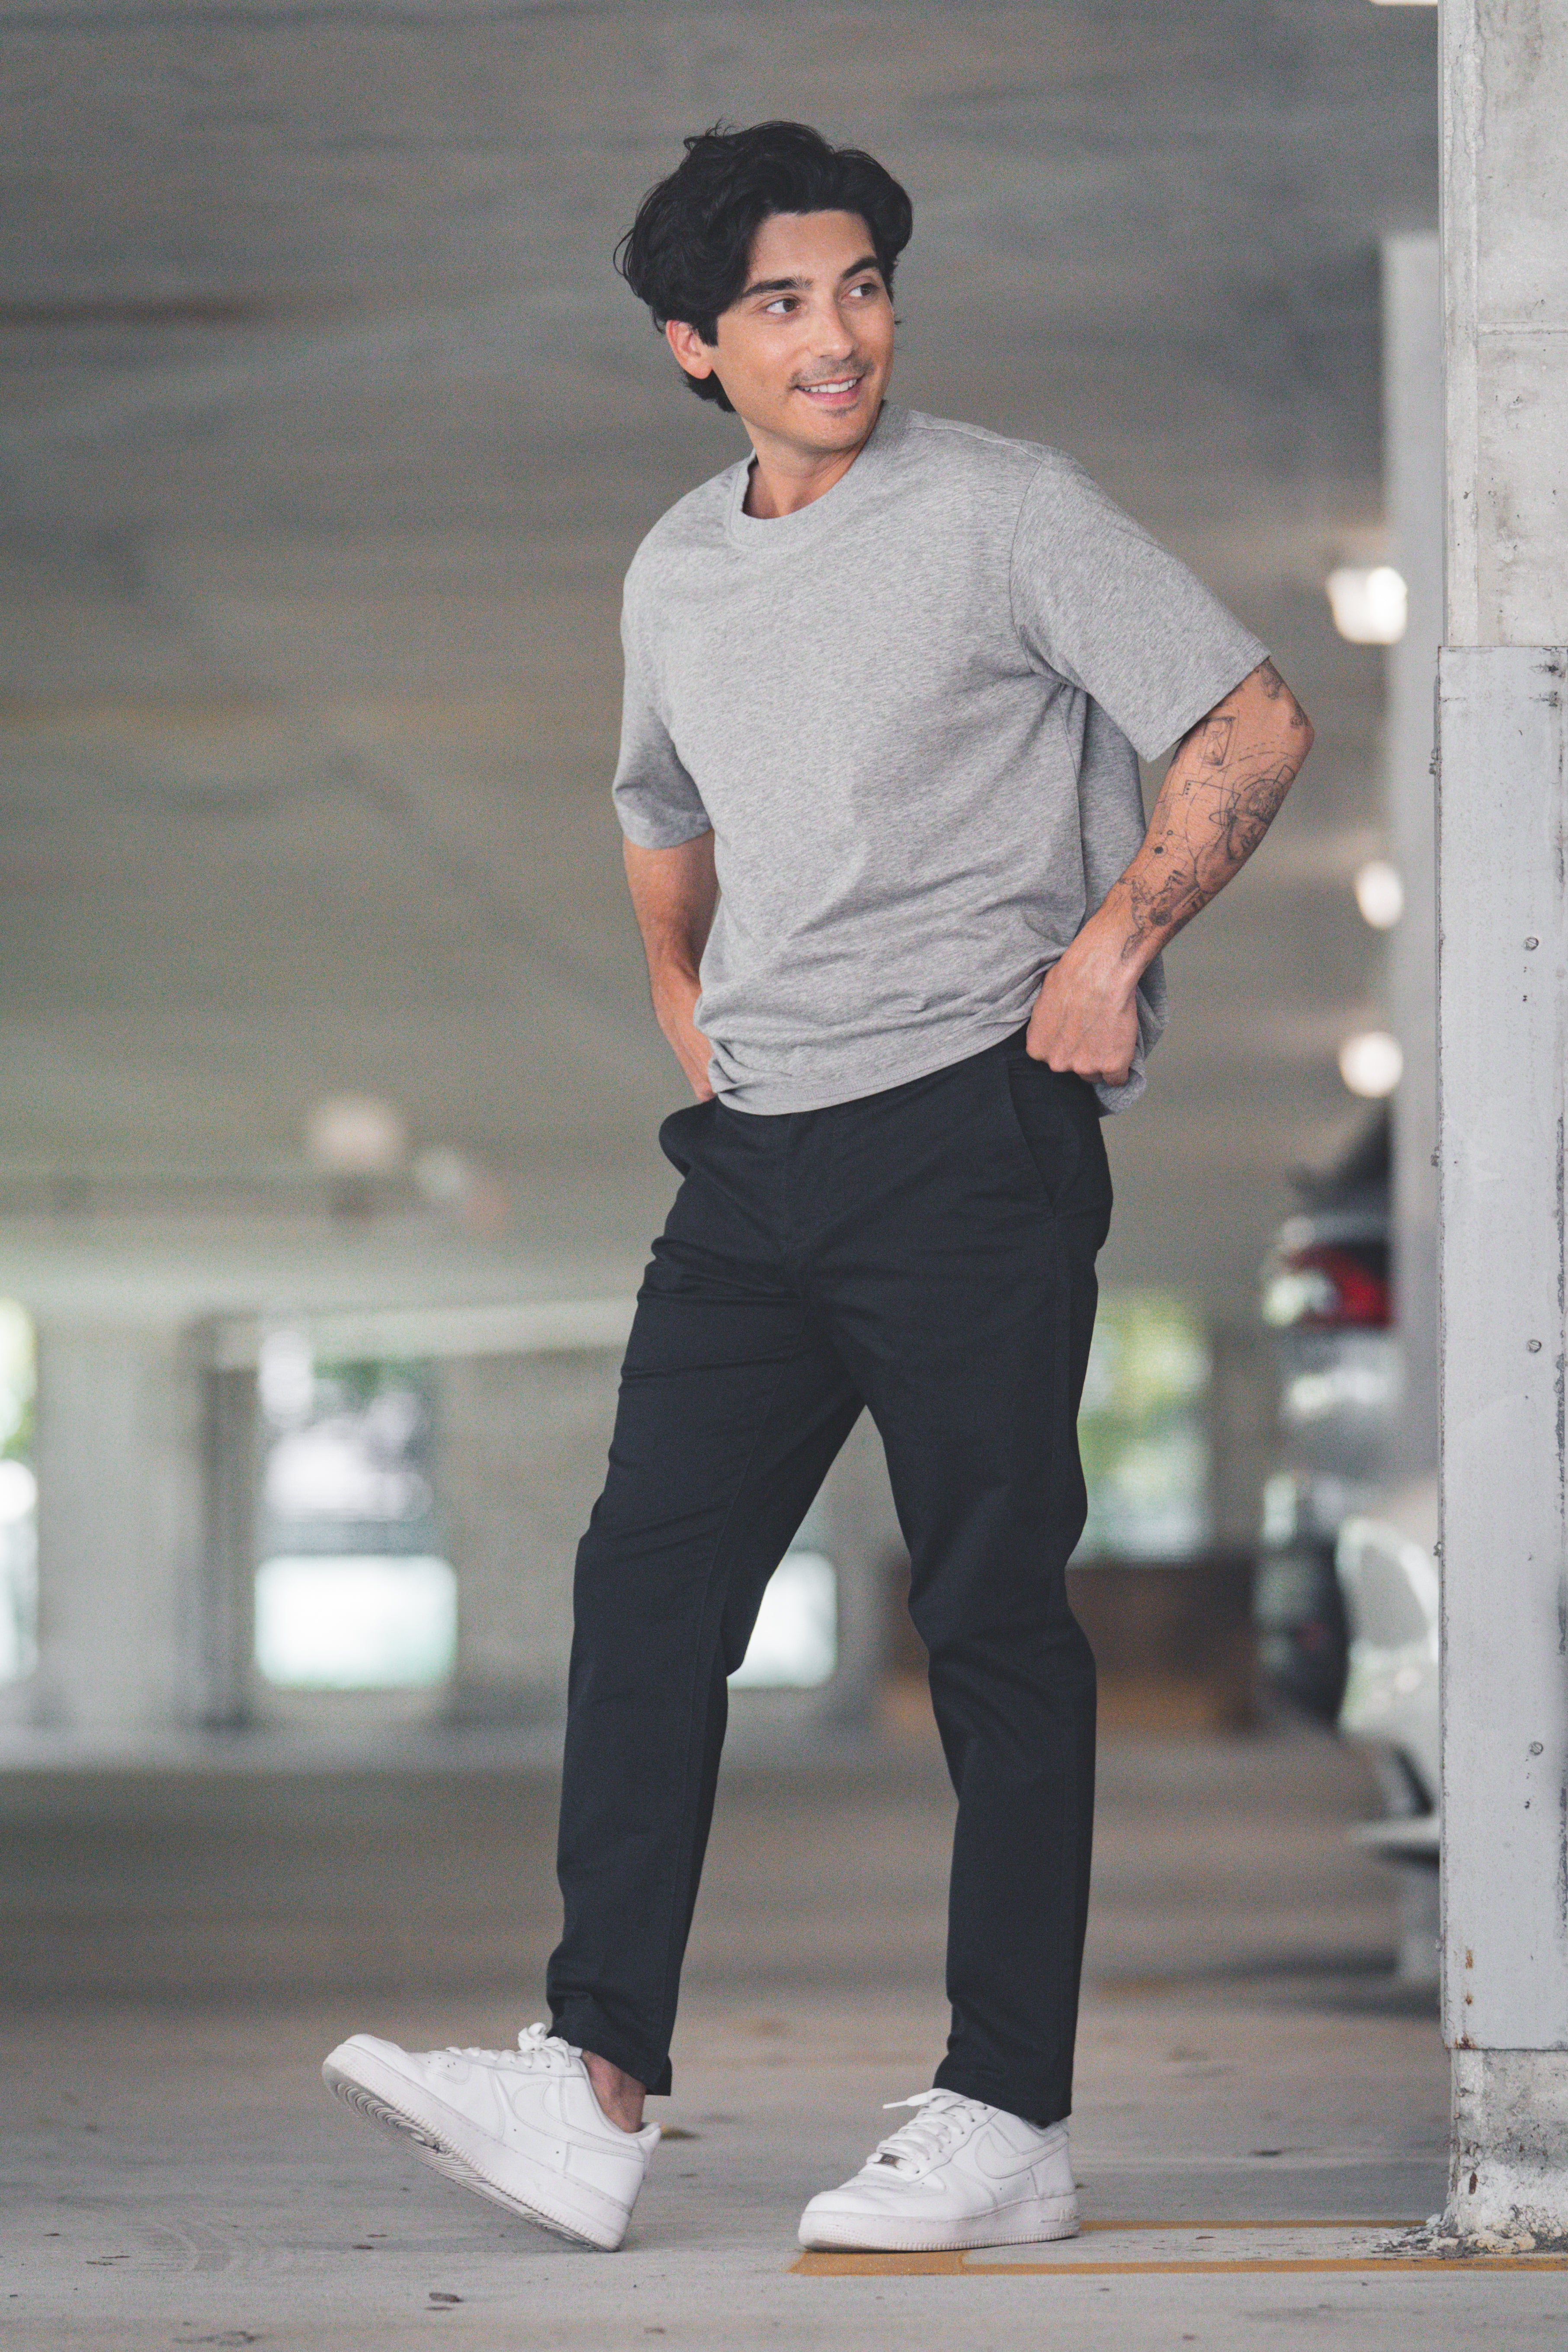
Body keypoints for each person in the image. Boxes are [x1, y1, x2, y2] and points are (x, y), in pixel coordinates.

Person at [323, 119, 1313, 2255]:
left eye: (860, 286)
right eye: (781, 302)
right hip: (756, 1162)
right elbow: (658, 808)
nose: (837, 334)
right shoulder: (675, 569)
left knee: (986, 1618)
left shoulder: (1006, 510)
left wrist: (1112, 947)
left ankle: (1007, 2112)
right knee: (644, 1590)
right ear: (695, 345)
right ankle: (593, 2079)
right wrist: (682, 992)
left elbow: (1247, 722)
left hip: (970, 1132)